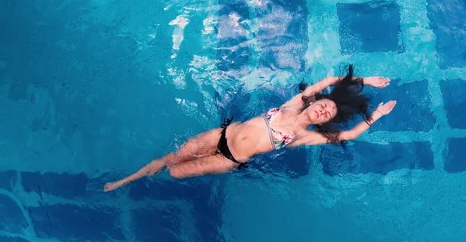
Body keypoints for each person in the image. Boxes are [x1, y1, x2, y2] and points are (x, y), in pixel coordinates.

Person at [104, 64, 396, 192]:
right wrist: (366, 80)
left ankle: (149, 183)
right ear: (315, 102)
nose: (324, 109)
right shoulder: (295, 103)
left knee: (176, 172)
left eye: (327, 113)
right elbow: (328, 80)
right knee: (171, 157)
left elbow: (348, 134)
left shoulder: (304, 136)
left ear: (322, 121)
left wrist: (376, 116)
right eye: (325, 104)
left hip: (228, 160)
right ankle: (126, 180)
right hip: (221, 134)